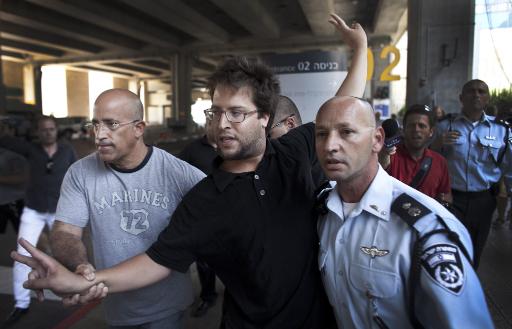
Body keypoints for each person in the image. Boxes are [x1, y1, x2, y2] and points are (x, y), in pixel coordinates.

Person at [11, 13, 367, 329]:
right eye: (216, 112)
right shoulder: (205, 197)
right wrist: (81, 281)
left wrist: (360, 49)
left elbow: (343, 106)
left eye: (237, 113)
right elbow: (156, 262)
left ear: (264, 118)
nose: (223, 123)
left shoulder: (293, 152)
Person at [314, 96, 493, 328]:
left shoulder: (427, 230)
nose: (330, 145)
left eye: (346, 132)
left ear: (377, 140)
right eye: (321, 134)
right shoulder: (323, 210)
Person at [49, 89, 205, 328]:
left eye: (111, 124)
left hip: (167, 306)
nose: (99, 135)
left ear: (139, 128)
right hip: (116, 307)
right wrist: (80, 267)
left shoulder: (177, 172)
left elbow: (223, 215)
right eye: (96, 125)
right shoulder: (80, 173)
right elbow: (65, 232)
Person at [0, 116, 77, 326]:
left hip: (60, 211)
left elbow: (77, 176)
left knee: (67, 252)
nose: (48, 133)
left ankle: (74, 291)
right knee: (22, 255)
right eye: (43, 130)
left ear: (56, 130)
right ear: (38, 132)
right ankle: (21, 304)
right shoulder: (30, 149)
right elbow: (5, 140)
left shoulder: (67, 151)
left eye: (51, 129)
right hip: (33, 210)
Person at [431, 79, 512, 268]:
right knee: (450, 248)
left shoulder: (502, 130)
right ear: (461, 98)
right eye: (471, 91)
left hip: (484, 200)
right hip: (451, 199)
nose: (476, 94)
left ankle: (469, 287)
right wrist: (437, 144)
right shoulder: (444, 126)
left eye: (481, 91)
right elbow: (427, 158)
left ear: (487, 98)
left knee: (475, 250)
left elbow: (510, 167)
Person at [176, 118, 219, 317]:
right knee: (204, 260)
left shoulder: (234, 146)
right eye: (213, 124)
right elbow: (174, 173)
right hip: (202, 216)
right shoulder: (193, 150)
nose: (218, 128)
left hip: (233, 213)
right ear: (207, 126)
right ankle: (208, 296)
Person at [380, 104, 452, 204]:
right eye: (411, 125)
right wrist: (385, 151)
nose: (416, 129)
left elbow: (446, 195)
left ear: (431, 131)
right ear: (403, 130)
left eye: (422, 126)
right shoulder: (390, 155)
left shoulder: (440, 162)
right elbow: (382, 162)